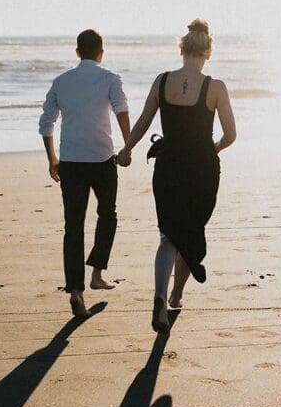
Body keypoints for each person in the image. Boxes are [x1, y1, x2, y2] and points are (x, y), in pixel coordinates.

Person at [116, 19, 236, 333]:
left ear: (181, 49)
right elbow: (231, 135)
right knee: (191, 231)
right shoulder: (216, 87)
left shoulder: (162, 81)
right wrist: (212, 150)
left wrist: (127, 149)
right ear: (208, 53)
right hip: (201, 170)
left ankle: (159, 296)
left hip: (167, 167)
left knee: (169, 234)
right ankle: (177, 295)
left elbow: (143, 121)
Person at [39, 29, 130, 318]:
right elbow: (122, 111)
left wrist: (52, 158)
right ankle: (97, 273)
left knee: (73, 225)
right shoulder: (110, 79)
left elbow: (46, 123)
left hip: (72, 162)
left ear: (77, 52)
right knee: (108, 214)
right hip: (103, 158)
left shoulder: (62, 82)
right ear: (101, 53)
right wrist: (128, 146)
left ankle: (76, 290)